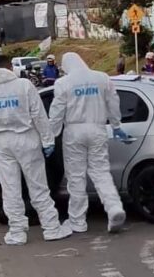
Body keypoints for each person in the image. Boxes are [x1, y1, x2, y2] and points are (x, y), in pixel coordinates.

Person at [0, 55, 72, 245]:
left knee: (10, 189)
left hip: (1, 143)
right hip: (27, 139)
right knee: (38, 186)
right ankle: (51, 228)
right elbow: (39, 114)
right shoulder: (24, 86)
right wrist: (47, 140)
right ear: (10, 66)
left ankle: (17, 232)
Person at [48, 52, 129, 234]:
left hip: (74, 132)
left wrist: (50, 137)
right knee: (101, 172)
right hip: (98, 128)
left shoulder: (63, 83)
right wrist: (116, 125)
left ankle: (77, 221)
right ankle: (114, 207)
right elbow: (113, 102)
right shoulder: (102, 78)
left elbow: (56, 113)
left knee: (76, 177)